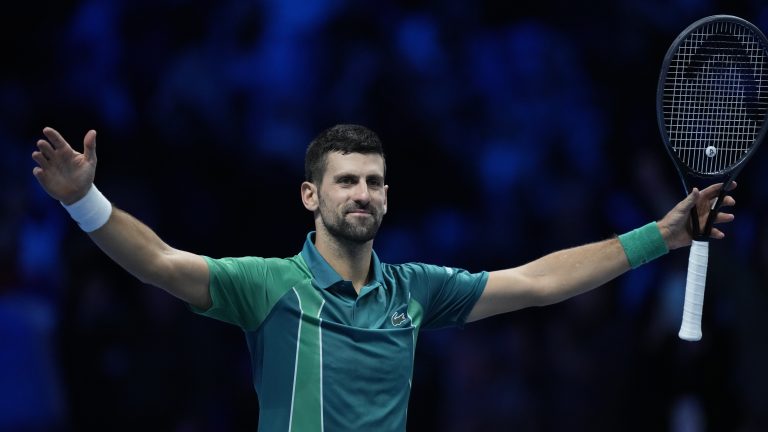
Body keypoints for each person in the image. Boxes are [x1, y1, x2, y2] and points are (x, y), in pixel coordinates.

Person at [31, 124, 735, 431]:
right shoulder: (267, 285)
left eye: (373, 181)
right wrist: (81, 200)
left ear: (388, 197)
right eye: (344, 181)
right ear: (312, 196)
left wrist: (662, 236)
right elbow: (156, 261)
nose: (361, 193)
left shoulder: (417, 290)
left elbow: (540, 281)